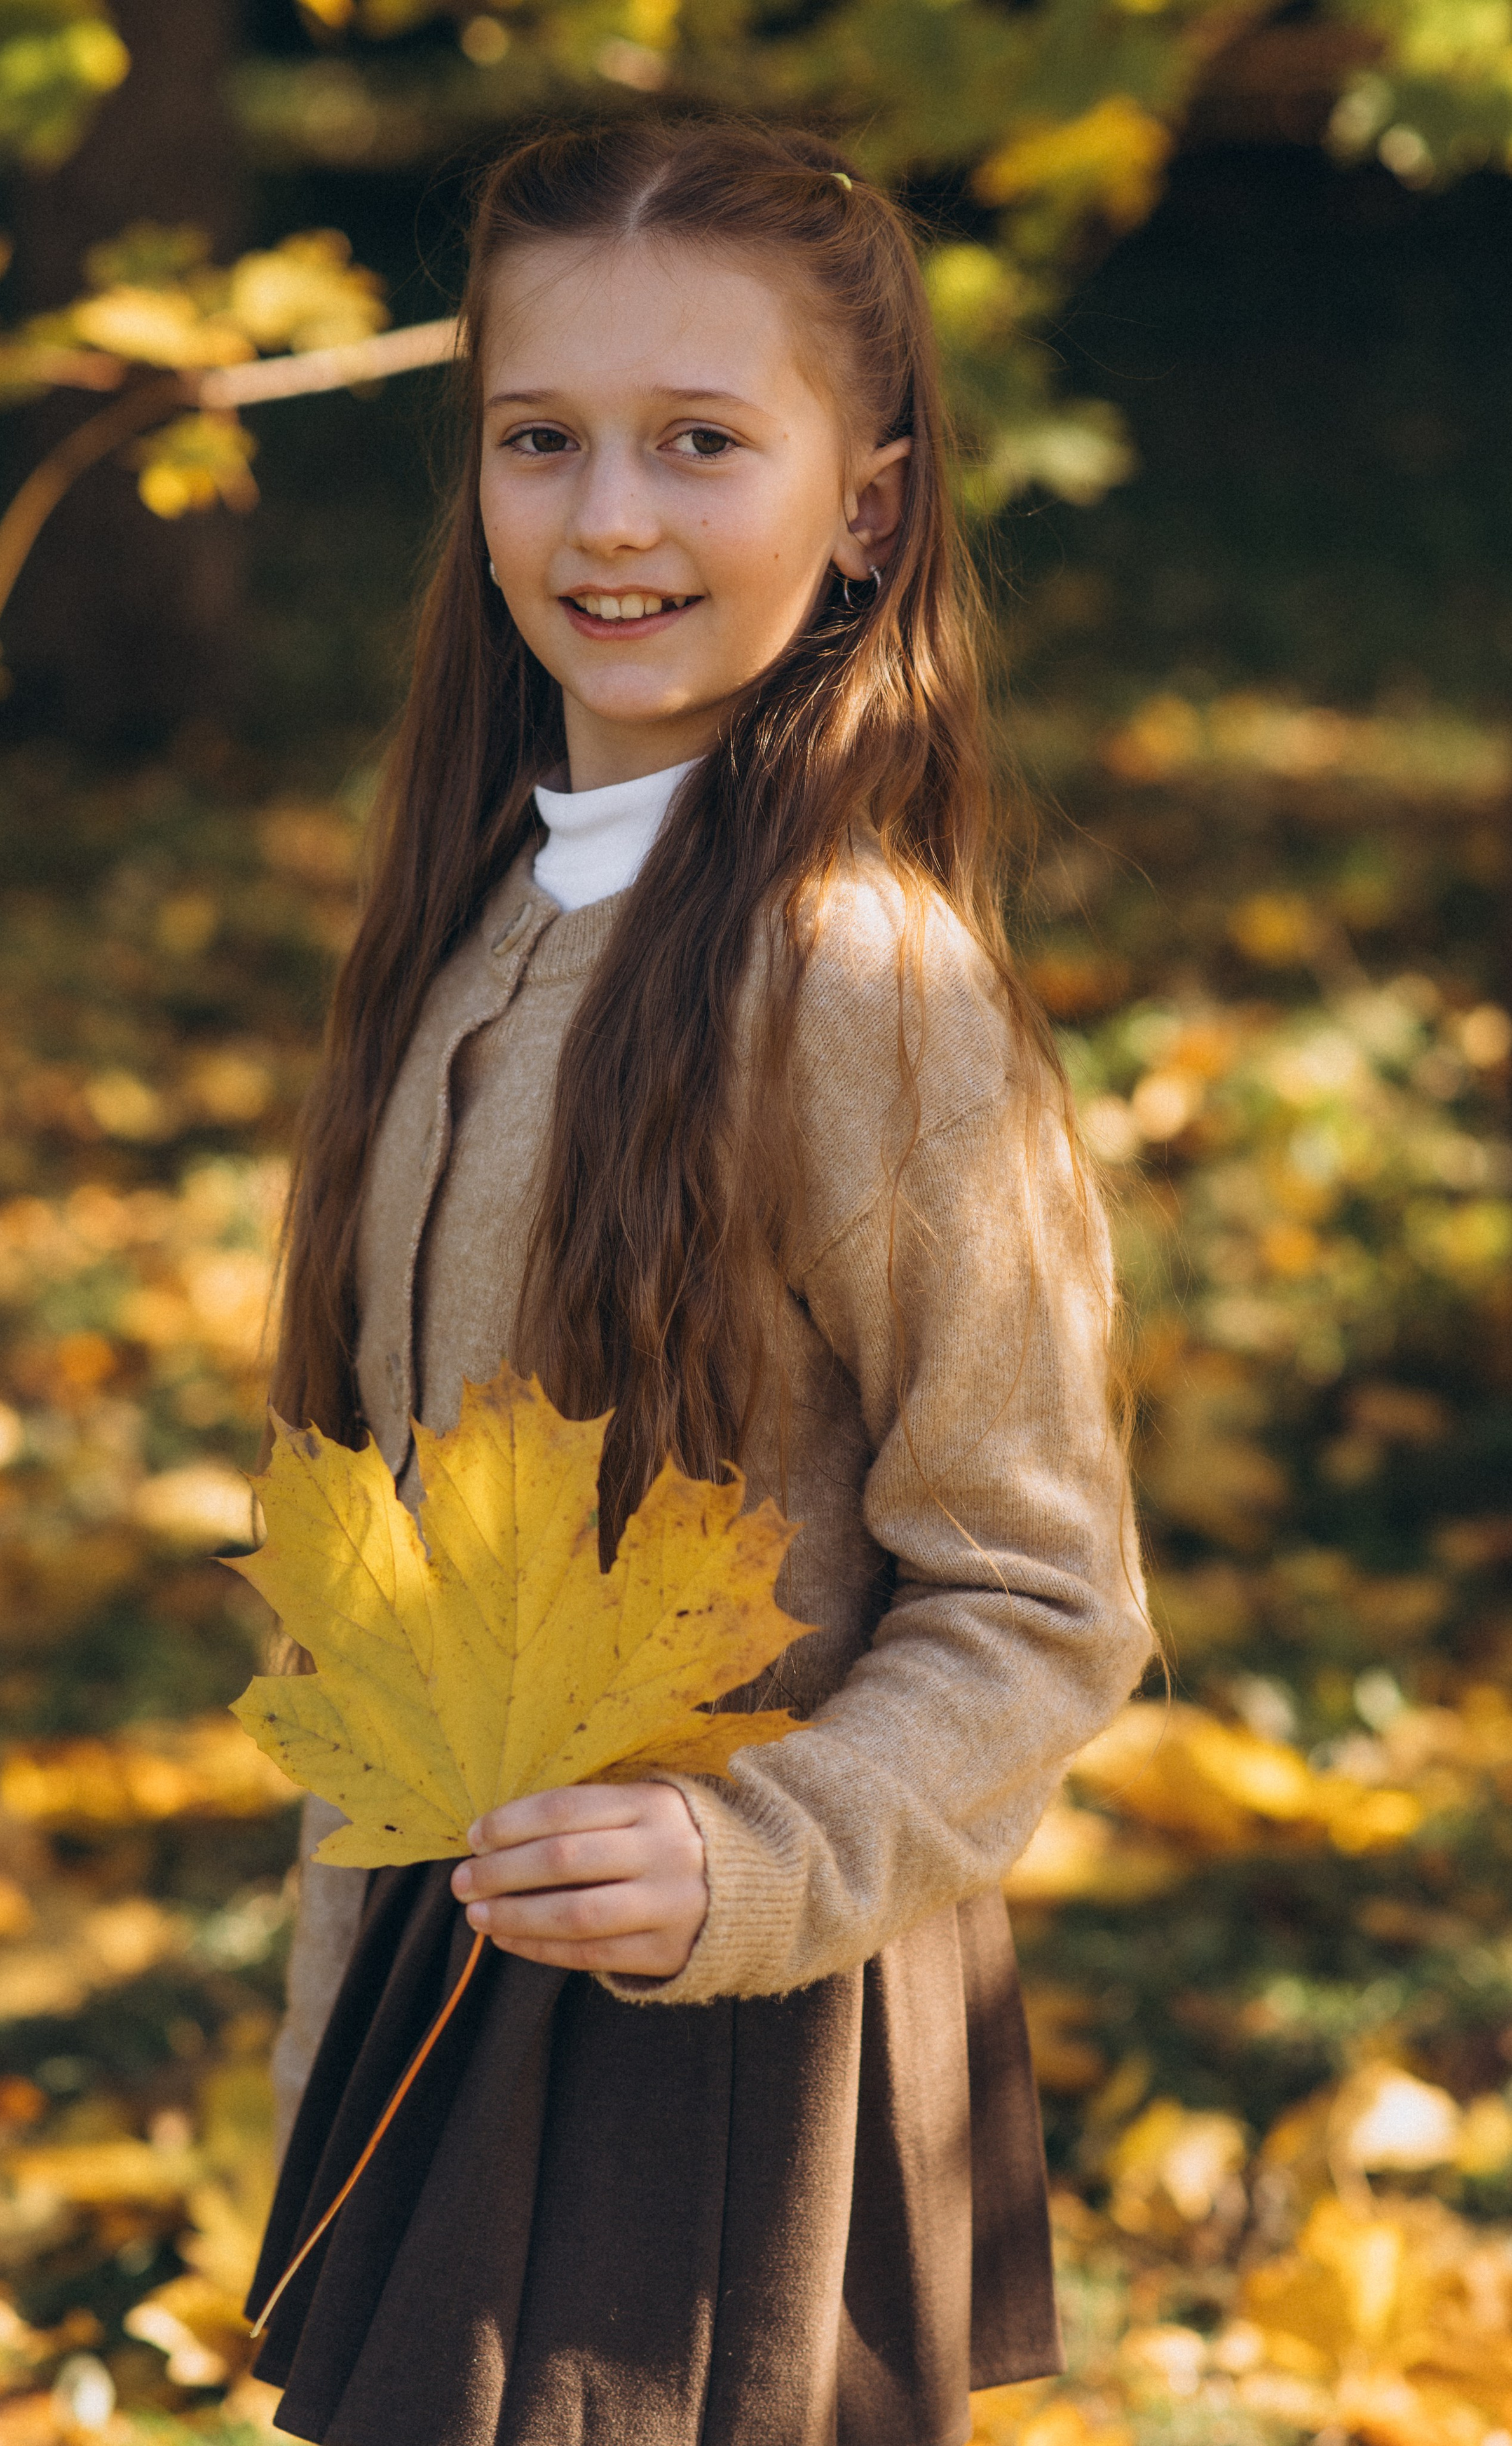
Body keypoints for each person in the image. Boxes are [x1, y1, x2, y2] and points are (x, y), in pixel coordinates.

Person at [247, 113, 1152, 2446]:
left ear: (863, 499)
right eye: (540, 440)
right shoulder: (479, 925)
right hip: (448, 2005)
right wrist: (317, 2053)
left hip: (735, 2064)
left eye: (700, 444)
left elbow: (1044, 1597)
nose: (610, 518)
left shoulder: (863, 982)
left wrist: (754, 1858)